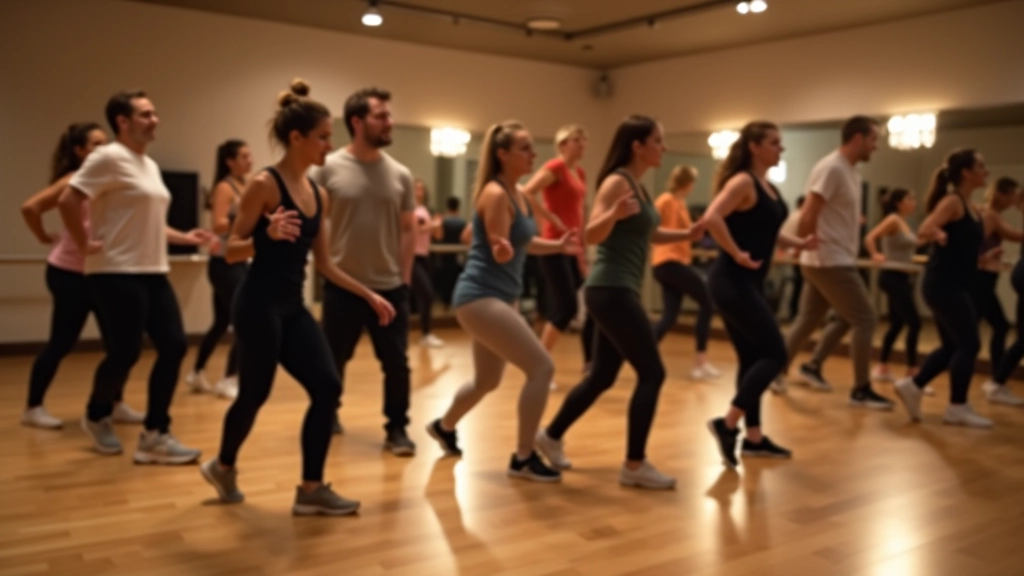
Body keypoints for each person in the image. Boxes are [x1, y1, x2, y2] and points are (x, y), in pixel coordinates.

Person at [202, 80, 393, 515]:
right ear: (297, 138)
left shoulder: (319, 194)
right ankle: (224, 465)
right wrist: (264, 238)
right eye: (323, 136)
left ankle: (310, 489)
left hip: (292, 307)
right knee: (255, 392)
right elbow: (230, 248)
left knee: (327, 387)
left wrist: (369, 294)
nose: (331, 144)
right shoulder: (263, 185)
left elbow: (324, 264)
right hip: (257, 303)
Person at [537, 115, 704, 490]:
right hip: (611, 289)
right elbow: (590, 234)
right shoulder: (617, 182)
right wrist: (612, 213)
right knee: (653, 373)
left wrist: (687, 233)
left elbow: (651, 232)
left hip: (614, 289)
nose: (663, 147)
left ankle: (550, 434)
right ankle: (634, 465)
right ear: (637, 145)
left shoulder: (640, 188)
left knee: (602, 376)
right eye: (657, 141)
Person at [59, 89, 214, 461]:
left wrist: (185, 237)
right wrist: (82, 243)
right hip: (114, 271)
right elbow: (68, 199)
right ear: (122, 122)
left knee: (174, 346)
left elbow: (149, 223)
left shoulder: (149, 164)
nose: (154, 119)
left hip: (151, 269)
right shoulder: (107, 157)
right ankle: (97, 415)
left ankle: (155, 434)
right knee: (125, 353)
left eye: (154, 113)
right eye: (145, 114)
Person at [426, 120, 575, 481]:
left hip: (496, 299)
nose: (533, 154)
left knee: (486, 382)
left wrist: (555, 245)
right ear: (503, 154)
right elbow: (500, 246)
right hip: (480, 297)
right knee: (542, 368)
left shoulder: (519, 194)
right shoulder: (494, 194)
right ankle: (523, 457)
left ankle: (444, 427)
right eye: (525, 148)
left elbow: (522, 242)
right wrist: (500, 248)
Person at [703, 121, 816, 468]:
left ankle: (753, 439)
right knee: (775, 353)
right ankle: (727, 423)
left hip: (746, 283)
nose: (780, 149)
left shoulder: (767, 186)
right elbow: (712, 217)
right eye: (774, 143)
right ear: (753, 146)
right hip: (731, 281)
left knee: (753, 359)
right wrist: (735, 252)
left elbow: (768, 231)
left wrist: (797, 243)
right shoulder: (742, 182)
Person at [20, 123, 145, 429]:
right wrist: (42, 238)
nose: (104, 149)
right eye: (95, 144)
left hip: (101, 274)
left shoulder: (107, 178)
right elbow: (30, 208)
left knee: (119, 345)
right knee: (61, 342)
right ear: (79, 151)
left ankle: (115, 404)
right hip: (69, 275)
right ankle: (33, 408)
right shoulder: (73, 180)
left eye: (106, 143)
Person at [312, 87, 416, 452]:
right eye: (381, 116)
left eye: (389, 115)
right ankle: (329, 413)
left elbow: (408, 230)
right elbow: (315, 225)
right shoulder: (326, 169)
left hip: (389, 288)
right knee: (333, 361)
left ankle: (397, 429)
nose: (389, 123)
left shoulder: (401, 174)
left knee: (397, 365)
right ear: (356, 122)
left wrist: (403, 280)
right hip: (344, 286)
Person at [779, 115, 893, 409]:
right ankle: (861, 389)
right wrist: (805, 243)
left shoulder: (851, 173)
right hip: (829, 259)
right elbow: (809, 211)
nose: (875, 146)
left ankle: (798, 367)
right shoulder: (832, 168)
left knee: (817, 319)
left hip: (831, 257)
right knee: (865, 318)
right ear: (857, 139)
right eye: (873, 139)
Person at [894, 149, 991, 428]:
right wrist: (937, 233)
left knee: (952, 345)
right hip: (943, 284)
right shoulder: (953, 201)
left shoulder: (971, 207)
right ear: (966, 173)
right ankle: (957, 407)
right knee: (969, 344)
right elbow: (924, 228)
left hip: (955, 282)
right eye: (981, 166)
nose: (986, 171)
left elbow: (961, 246)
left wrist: (983, 259)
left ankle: (913, 385)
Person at [186, 139, 253, 399]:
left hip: (237, 261)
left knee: (221, 322)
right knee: (243, 321)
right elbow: (218, 225)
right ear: (230, 161)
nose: (250, 160)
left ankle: (197, 372)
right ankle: (229, 378)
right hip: (224, 263)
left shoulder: (245, 185)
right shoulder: (224, 187)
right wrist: (244, 218)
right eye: (244, 156)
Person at [522, 124, 594, 367]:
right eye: (576, 140)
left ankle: (590, 362)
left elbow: (580, 213)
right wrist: (549, 217)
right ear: (562, 144)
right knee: (566, 307)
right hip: (554, 244)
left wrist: (583, 250)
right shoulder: (556, 168)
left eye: (583, 141)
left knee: (588, 303)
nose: (582, 145)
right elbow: (526, 192)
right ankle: (538, 362)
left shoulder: (580, 173)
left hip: (574, 247)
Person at [651, 165, 719, 380]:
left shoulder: (681, 203)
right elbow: (653, 230)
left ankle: (642, 355)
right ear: (688, 183)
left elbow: (690, 236)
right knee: (708, 303)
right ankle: (700, 363)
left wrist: (699, 228)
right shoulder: (665, 201)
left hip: (676, 261)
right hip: (668, 261)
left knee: (670, 316)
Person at [864, 188, 924, 386]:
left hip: (901, 277)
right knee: (914, 322)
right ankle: (912, 372)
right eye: (910, 198)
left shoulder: (904, 223)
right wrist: (875, 254)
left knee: (898, 324)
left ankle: (882, 367)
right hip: (891, 276)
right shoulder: (893, 219)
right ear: (899, 202)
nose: (914, 201)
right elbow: (870, 237)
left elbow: (909, 246)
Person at [973, 177, 1023, 389]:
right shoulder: (990, 215)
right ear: (1003, 195)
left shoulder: (988, 212)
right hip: (980, 280)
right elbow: (1015, 236)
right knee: (994, 328)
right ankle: (995, 381)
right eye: (1013, 196)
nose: (1015, 201)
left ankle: (996, 379)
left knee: (998, 327)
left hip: (985, 280)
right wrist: (984, 259)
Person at [411, 178, 444, 348]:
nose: (419, 192)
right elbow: (414, 230)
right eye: (416, 189)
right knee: (426, 293)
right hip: (412, 256)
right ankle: (426, 334)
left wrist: (437, 225)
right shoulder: (410, 209)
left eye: (422, 189)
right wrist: (433, 224)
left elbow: (438, 236)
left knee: (424, 296)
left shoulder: (425, 210)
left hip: (425, 256)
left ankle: (426, 334)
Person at [434, 196, 466, 307]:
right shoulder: (462, 221)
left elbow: (439, 236)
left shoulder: (444, 221)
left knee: (445, 281)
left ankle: (445, 303)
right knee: (454, 280)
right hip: (457, 255)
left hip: (444, 256)